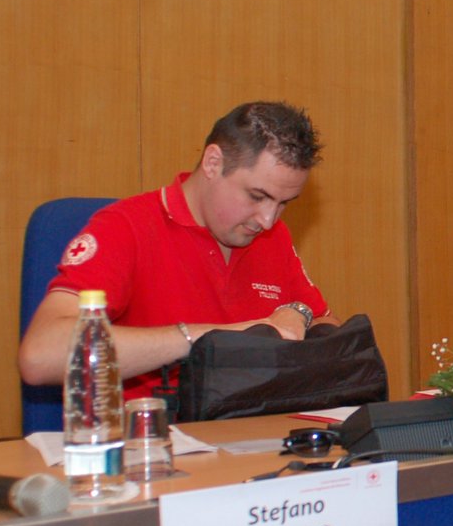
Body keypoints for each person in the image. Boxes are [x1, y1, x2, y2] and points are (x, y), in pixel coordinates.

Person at [18, 102, 336, 399]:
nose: (267, 220)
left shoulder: (272, 237)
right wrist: (213, 339)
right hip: (154, 442)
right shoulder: (124, 227)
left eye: (283, 204)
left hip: (251, 440)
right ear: (214, 163)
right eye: (256, 196)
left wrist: (301, 313)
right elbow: (40, 355)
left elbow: (331, 333)